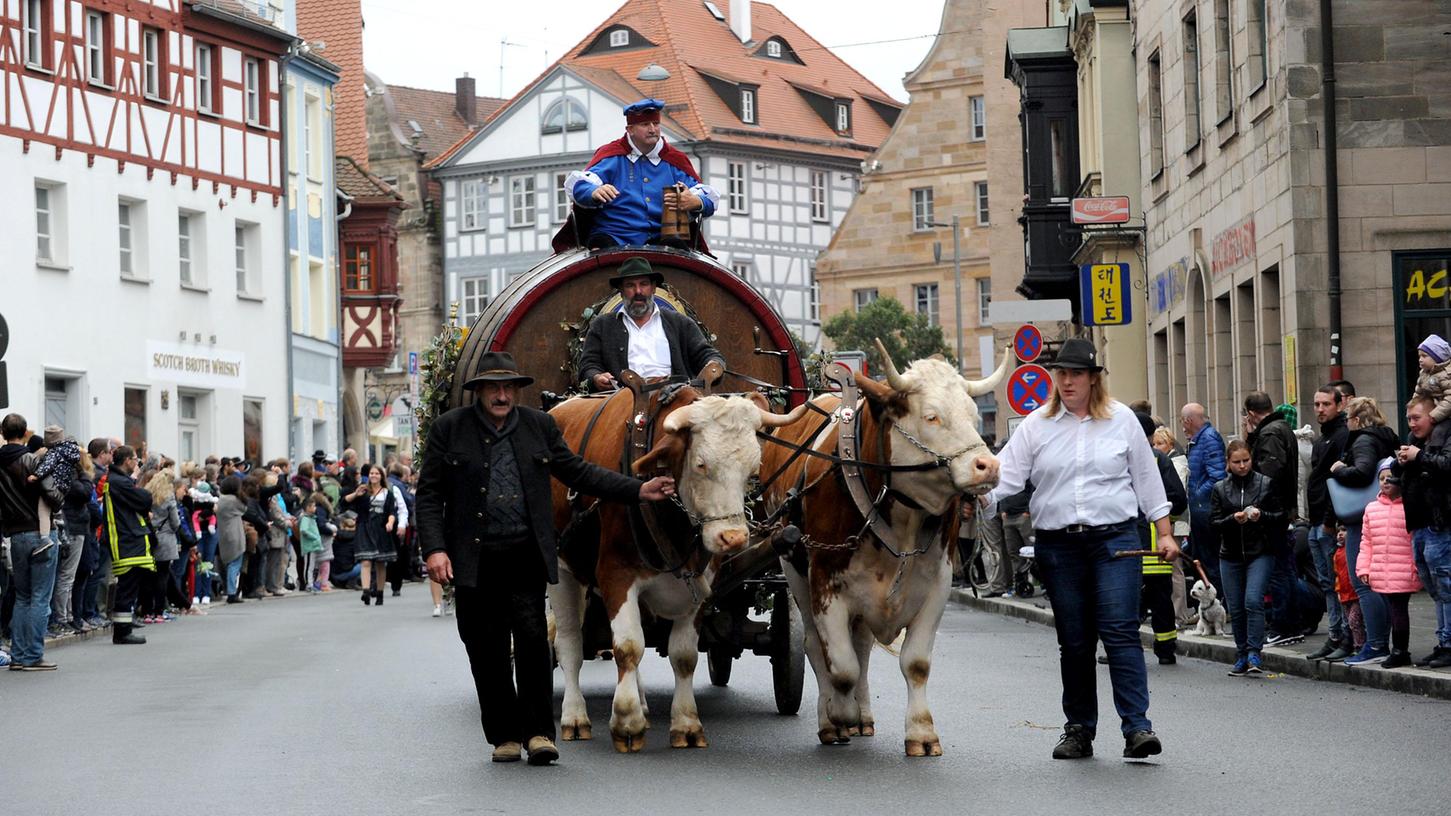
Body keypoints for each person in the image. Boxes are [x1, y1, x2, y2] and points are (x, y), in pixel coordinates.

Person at [415, 351, 676, 766]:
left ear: (517, 391)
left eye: (508, 388)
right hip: (473, 557)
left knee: (535, 642)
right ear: (479, 391)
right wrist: (435, 548)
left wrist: (637, 490)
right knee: (486, 648)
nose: (501, 395)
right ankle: (504, 736)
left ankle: (538, 733)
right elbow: (429, 494)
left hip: (525, 553)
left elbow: (578, 472)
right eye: (493, 388)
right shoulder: (451, 430)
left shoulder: (539, 426)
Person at [986, 338, 1178, 761]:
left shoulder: (1122, 420)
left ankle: (1137, 727)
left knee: (1120, 631)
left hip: (1115, 540)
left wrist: (1164, 533)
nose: (1067, 380)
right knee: (1074, 641)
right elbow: (1008, 479)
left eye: (1076, 373)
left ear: (1093, 379)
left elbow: (1148, 480)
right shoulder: (1037, 424)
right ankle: (1078, 730)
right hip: (1059, 546)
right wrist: (973, 493)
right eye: (1062, 373)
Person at [559, 98, 718, 250]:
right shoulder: (612, 156)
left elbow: (707, 196)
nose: (652, 129)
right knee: (599, 249)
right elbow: (579, 185)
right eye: (645, 124)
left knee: (679, 251)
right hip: (614, 235)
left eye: (655, 123)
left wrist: (696, 201)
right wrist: (593, 191)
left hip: (662, 237)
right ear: (630, 130)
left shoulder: (675, 160)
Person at [576, 258, 726, 391]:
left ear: (654, 288)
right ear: (621, 291)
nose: (638, 291)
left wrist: (713, 365)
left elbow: (707, 355)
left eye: (644, 284)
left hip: (673, 398)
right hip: (622, 402)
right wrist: (596, 377)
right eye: (630, 285)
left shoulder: (679, 322)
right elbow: (588, 365)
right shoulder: (602, 325)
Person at [1331, 396, 1400, 665]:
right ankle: (1380, 642)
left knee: (1363, 581)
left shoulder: (1363, 440)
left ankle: (1376, 644)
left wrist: (1339, 470)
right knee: (1378, 583)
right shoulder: (1386, 438)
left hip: (1362, 518)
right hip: (1381, 513)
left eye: (1347, 419)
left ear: (1357, 420)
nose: (1346, 424)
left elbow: (1361, 472)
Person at [1212, 440, 1286, 676]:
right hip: (1230, 554)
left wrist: (1261, 516)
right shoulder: (1220, 488)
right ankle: (1241, 653)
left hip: (1260, 551)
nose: (1242, 466)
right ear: (1228, 463)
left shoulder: (1265, 483)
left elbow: (1281, 516)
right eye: (1237, 462)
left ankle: (1255, 651)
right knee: (1236, 606)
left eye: (1246, 460)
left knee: (1253, 600)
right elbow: (1213, 524)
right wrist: (1233, 519)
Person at [0, 413, 60, 670]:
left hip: (15, 533)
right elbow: (52, 493)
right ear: (25, 433)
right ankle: (33, 655)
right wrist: (59, 497)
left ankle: (19, 655)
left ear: (3, 434)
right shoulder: (31, 461)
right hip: (39, 530)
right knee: (39, 597)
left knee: (22, 596)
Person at [1395, 397, 1451, 668]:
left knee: (1445, 584)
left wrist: (1420, 457)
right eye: (1409, 419)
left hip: (1440, 522)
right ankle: (1443, 641)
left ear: (1434, 416)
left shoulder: (1444, 437)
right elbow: (1399, 476)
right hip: (1419, 523)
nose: (1412, 424)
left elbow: (1447, 465)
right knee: (1434, 587)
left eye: (1417, 417)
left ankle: (1449, 643)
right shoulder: (1416, 442)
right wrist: (1402, 461)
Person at [1243, 391, 1299, 645]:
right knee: (1284, 568)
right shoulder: (1280, 428)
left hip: (1273, 512)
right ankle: (1287, 622)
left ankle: (1283, 624)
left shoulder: (1270, 433)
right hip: (1281, 509)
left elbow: (1269, 472)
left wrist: (1257, 504)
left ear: (1252, 413)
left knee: (1279, 570)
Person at [1135, 413, 1188, 665]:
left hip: (1128, 548)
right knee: (1161, 600)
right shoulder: (1160, 460)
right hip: (1158, 546)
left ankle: (1123, 650)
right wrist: (1167, 521)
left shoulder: (1120, 460)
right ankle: (1166, 649)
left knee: (1126, 601)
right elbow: (1178, 498)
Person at [1305, 385, 1353, 661]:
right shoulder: (1323, 437)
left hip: (1328, 521)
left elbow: (1335, 482)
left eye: (1326, 404)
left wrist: (1329, 520)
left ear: (1339, 405)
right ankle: (1335, 634)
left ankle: (1345, 635)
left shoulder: (1341, 436)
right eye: (1317, 404)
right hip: (1315, 519)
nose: (1321, 409)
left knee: (1337, 583)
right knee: (1326, 583)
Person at [1357, 461, 1420, 668]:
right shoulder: (1371, 509)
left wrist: (1416, 567)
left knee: (1398, 609)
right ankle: (1396, 648)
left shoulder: (1410, 506)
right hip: (1380, 569)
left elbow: (1414, 540)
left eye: (1390, 478)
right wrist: (1364, 567)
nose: (1385, 482)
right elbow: (1366, 541)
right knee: (1392, 609)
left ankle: (1400, 650)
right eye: (1381, 478)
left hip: (1403, 568)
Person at [102, 445, 153, 645]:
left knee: (129, 585)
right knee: (127, 585)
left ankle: (124, 628)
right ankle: (122, 631)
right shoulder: (119, 482)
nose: (136, 463)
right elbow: (144, 499)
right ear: (126, 461)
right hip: (126, 539)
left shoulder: (118, 481)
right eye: (135, 459)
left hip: (127, 537)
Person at [1181, 402, 1226, 598]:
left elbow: (1217, 476)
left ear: (1189, 420)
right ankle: (1209, 604)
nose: (1183, 426)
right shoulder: (1200, 440)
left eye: (1183, 421)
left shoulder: (1208, 439)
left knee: (1210, 559)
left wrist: (1197, 494)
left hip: (1205, 510)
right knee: (1202, 558)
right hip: (1200, 510)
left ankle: (1219, 602)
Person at [1152, 428, 1194, 626]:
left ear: (1169, 444)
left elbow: (1176, 494)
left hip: (1174, 521)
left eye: (1160, 443)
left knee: (1175, 569)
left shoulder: (1175, 462)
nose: (1156, 448)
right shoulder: (1164, 460)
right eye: (1154, 444)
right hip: (1167, 521)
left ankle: (1179, 613)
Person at [347, 464, 396, 606]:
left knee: (381, 562)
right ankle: (366, 591)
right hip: (365, 527)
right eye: (371, 473)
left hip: (381, 529)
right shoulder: (363, 491)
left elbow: (391, 511)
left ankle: (380, 593)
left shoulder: (387, 493)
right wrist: (356, 494)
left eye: (377, 473)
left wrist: (390, 523)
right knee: (366, 561)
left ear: (382, 476)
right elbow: (344, 502)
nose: (373, 476)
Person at [214, 475, 247, 604]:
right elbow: (244, 508)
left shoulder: (221, 499)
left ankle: (228, 589)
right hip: (235, 534)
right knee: (235, 564)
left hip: (224, 534)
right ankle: (232, 593)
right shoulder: (234, 500)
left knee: (228, 563)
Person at [1413, 333, 1451, 423]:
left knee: (1438, 433)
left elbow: (1450, 399)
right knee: (1412, 436)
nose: (1420, 359)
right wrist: (1413, 409)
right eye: (1419, 356)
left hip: (1446, 417)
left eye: (1424, 356)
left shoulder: (1447, 374)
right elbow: (1418, 394)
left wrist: (1434, 416)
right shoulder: (1423, 373)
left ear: (1437, 358)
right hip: (1429, 416)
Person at [298, 495, 323, 593]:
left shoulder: (312, 518)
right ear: (308, 508)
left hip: (313, 546)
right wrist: (314, 537)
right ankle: (308, 584)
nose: (315, 508)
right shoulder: (306, 519)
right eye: (313, 506)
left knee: (312, 566)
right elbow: (303, 530)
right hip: (309, 546)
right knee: (309, 566)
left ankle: (311, 583)